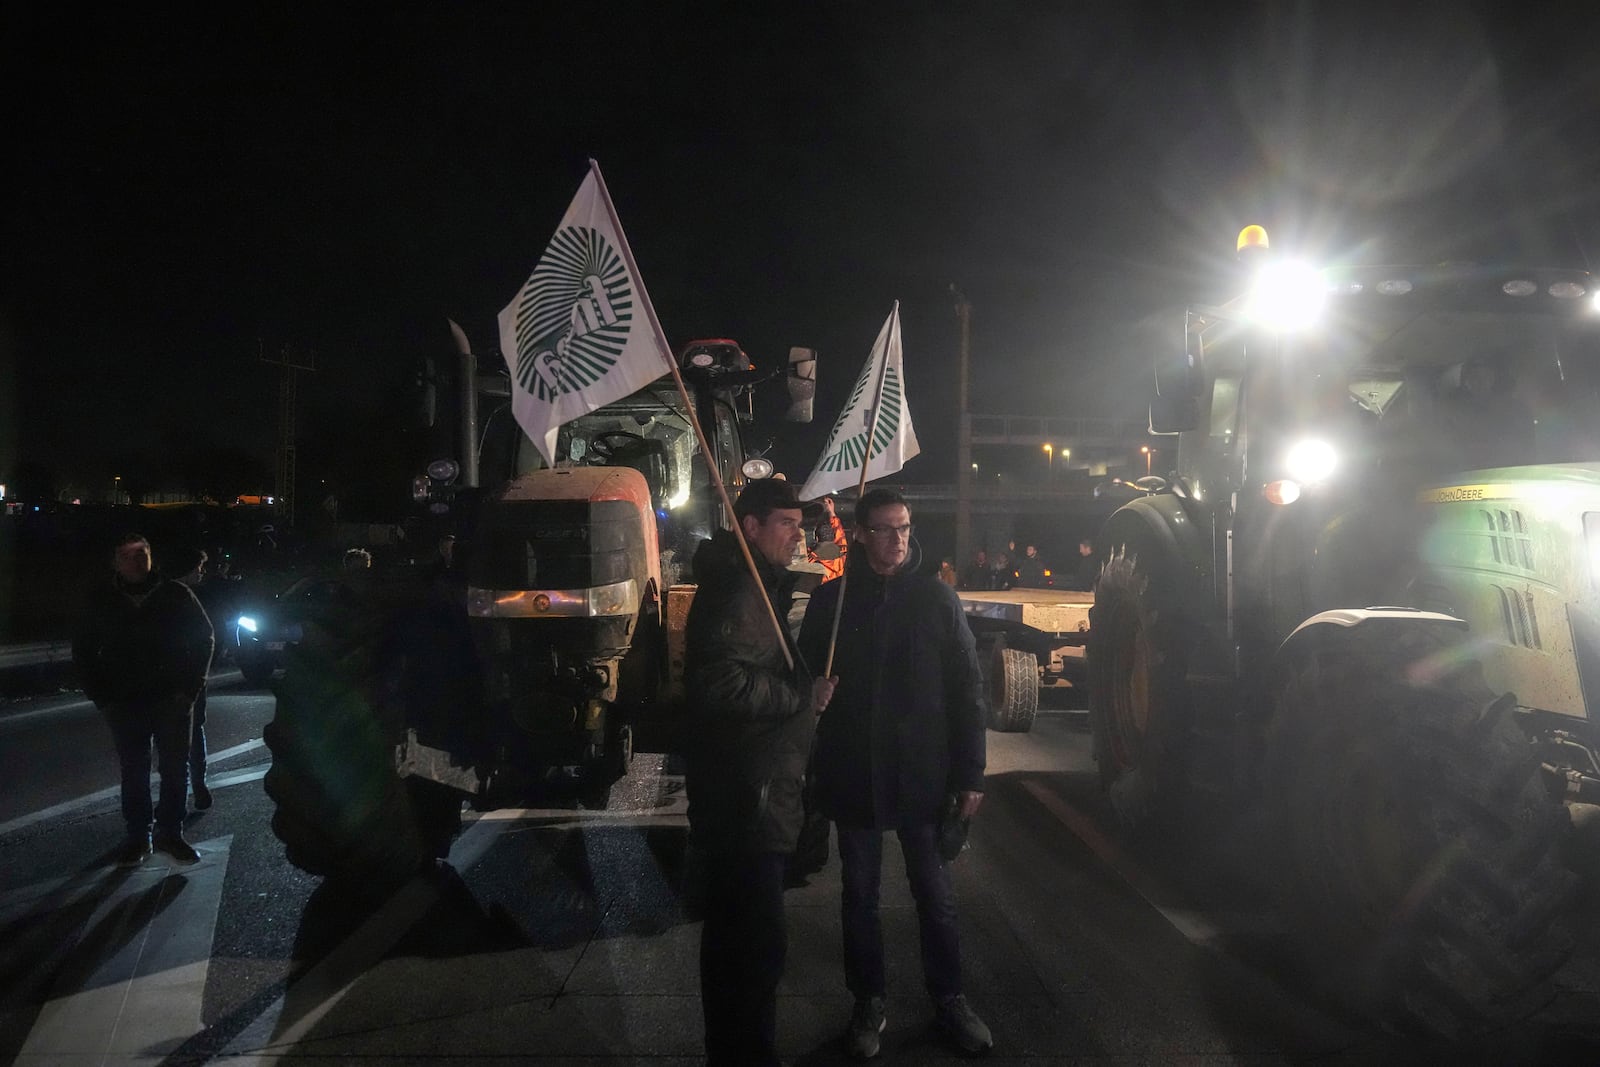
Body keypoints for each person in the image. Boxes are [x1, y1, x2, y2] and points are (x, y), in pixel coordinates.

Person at [798, 487, 992, 1059]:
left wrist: (971, 774)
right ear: (860, 534)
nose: (897, 539)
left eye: (903, 527)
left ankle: (950, 999)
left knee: (936, 897)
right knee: (859, 895)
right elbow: (802, 679)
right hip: (855, 773)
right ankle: (868, 1001)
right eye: (883, 529)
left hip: (923, 778)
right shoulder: (831, 603)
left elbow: (967, 690)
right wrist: (813, 694)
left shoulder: (937, 600)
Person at [682, 479, 837, 1067]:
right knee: (751, 948)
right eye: (787, 524)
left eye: (800, 523)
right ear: (749, 527)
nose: (800, 534)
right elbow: (719, 684)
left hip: (750, 795)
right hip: (747, 801)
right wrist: (801, 695)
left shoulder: (749, 583)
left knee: (738, 944)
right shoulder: (741, 590)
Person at [72, 533, 214, 866]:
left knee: (174, 769)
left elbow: (204, 638)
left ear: (151, 558)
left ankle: (171, 833)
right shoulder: (101, 599)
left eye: (141, 555)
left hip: (171, 699)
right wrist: (101, 697)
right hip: (123, 701)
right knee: (133, 770)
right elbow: (83, 651)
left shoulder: (176, 594)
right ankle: (138, 836)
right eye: (127, 556)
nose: (135, 562)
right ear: (116, 562)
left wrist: (189, 689)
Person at [168, 545, 215, 811]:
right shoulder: (185, 598)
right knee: (190, 735)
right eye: (198, 568)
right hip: (185, 679)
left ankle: (190, 791)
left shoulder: (191, 596)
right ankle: (195, 788)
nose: (202, 573)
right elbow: (206, 638)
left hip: (182, 679)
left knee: (183, 738)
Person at [809, 494, 849, 582]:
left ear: (817, 538)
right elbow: (840, 536)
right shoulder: (844, 558)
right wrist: (831, 512)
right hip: (837, 594)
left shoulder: (811, 560)